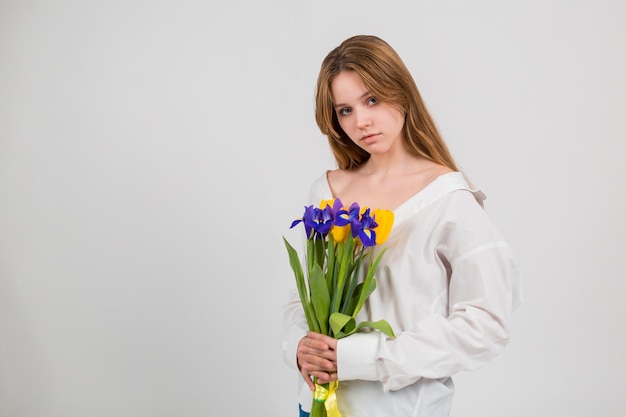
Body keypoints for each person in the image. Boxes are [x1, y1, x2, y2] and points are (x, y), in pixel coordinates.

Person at [282, 35, 522, 417]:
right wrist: (299, 347)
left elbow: (486, 322)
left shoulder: (448, 198)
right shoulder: (326, 193)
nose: (360, 121)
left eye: (372, 99)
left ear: (402, 93)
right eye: (344, 110)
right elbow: (303, 299)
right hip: (316, 407)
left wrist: (363, 358)